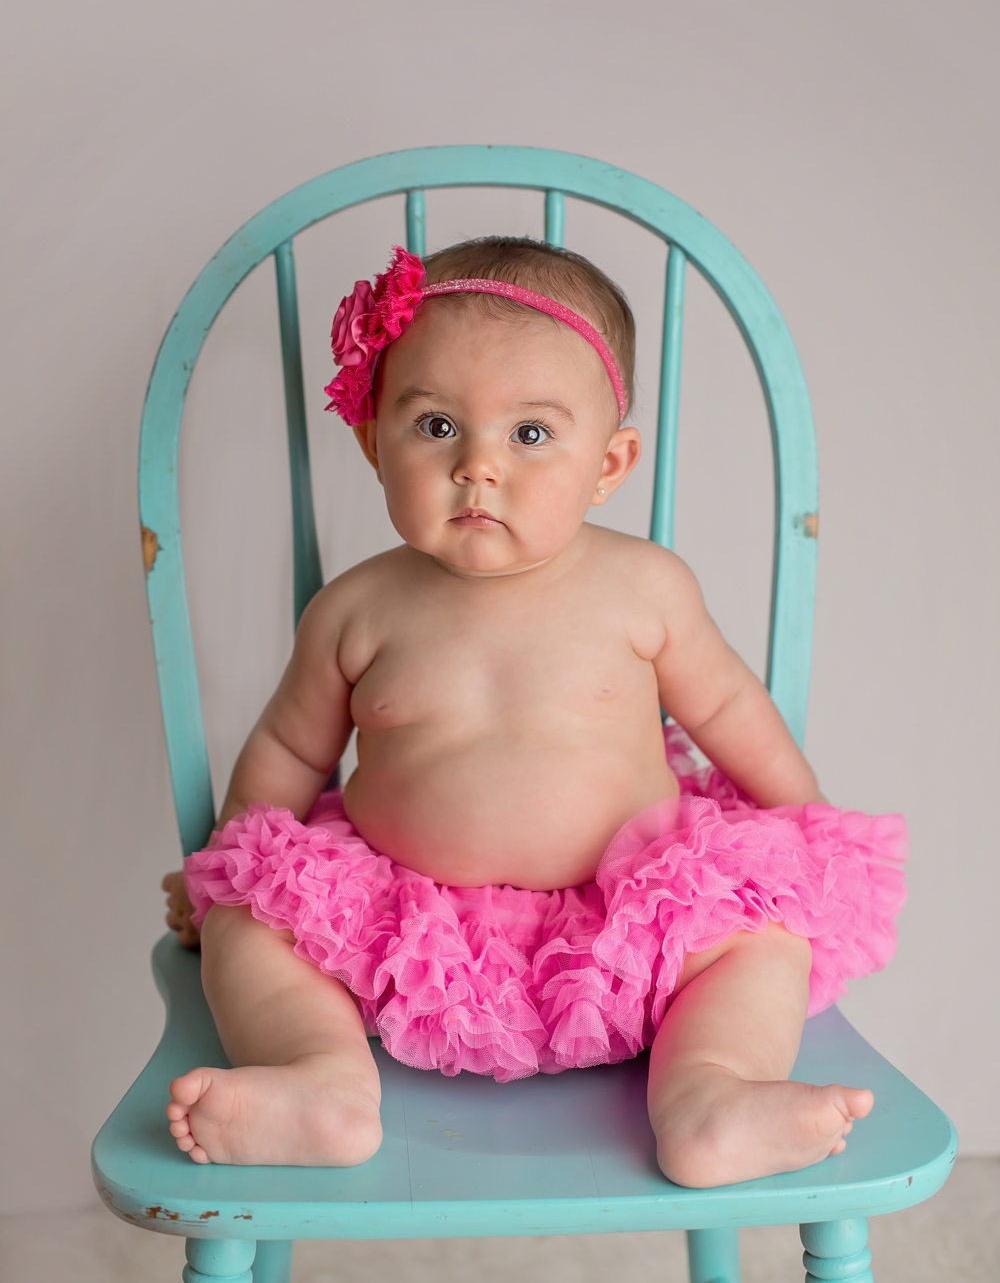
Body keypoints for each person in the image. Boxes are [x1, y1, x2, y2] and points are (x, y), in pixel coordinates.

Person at [162, 238, 906, 1186]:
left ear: (609, 463)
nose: (478, 467)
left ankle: (710, 1095)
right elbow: (287, 749)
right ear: (373, 441)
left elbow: (730, 709)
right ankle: (321, 1082)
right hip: (398, 925)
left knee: (759, 934)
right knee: (250, 924)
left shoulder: (645, 587)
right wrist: (228, 862)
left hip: (631, 921)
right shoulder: (355, 609)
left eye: (530, 434)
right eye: (436, 426)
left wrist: (810, 826)